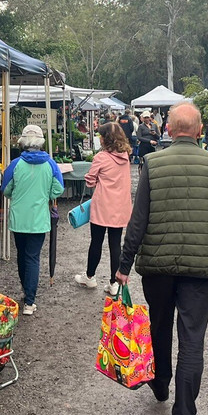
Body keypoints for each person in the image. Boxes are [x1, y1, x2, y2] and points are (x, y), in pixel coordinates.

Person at [116, 102, 208, 415]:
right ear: (200, 131)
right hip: (201, 270)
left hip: (158, 268)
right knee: (192, 341)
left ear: (168, 131)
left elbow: (138, 219)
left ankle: (160, 384)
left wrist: (124, 265)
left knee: (159, 327)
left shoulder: (153, 163)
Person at [3, 124, 65, 315]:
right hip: (39, 219)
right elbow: (58, 189)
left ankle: (25, 290)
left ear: (23, 142)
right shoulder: (51, 164)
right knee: (32, 257)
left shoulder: (15, 164)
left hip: (18, 218)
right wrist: (46, 195)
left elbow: (6, 189)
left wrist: (18, 196)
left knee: (21, 255)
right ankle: (30, 302)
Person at [75, 123, 133, 296]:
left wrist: (94, 180)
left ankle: (90, 277)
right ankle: (114, 283)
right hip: (120, 206)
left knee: (96, 241)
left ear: (106, 138)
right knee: (115, 244)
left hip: (102, 205)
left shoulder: (101, 157)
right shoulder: (125, 156)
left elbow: (90, 181)